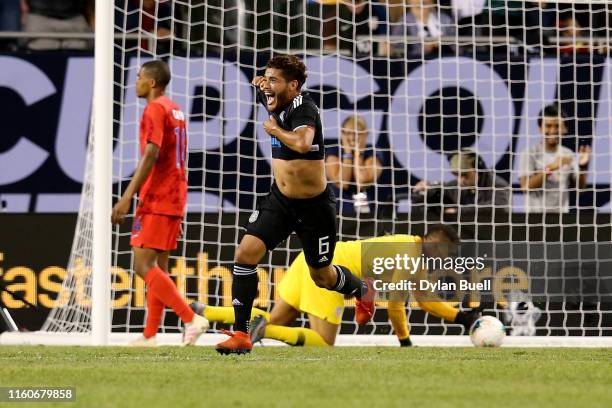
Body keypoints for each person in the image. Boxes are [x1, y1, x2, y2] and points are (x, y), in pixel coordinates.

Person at [215, 54, 376, 355]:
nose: (268, 87)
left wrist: (274, 130)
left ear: (294, 85)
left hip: (314, 208)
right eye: (267, 79)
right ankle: (240, 333)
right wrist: (262, 82)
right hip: (280, 200)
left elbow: (302, 143)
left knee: (322, 276)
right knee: (245, 253)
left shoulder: (305, 108)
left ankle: (362, 289)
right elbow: (266, 91)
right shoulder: (274, 98)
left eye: (275, 80)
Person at [191, 226, 482, 347]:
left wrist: (460, 317)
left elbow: (425, 300)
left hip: (307, 261)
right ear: (435, 242)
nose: (446, 259)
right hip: (327, 274)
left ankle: (206, 312)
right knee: (325, 341)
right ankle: (261, 330)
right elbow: (395, 307)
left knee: (279, 320)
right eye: (447, 252)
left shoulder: (409, 248)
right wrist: (404, 341)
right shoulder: (409, 254)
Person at [111, 60, 209, 347]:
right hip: (176, 192)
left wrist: (127, 196)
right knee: (159, 269)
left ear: (152, 82)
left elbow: (151, 153)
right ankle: (150, 335)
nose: (136, 82)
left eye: (140, 77)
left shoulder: (154, 108)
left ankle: (191, 318)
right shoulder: (175, 109)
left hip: (158, 195)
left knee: (143, 265)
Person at [518, 105, 591, 213]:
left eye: (557, 126)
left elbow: (580, 187)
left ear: (565, 129)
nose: (553, 130)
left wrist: (583, 166)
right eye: (548, 126)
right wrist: (551, 168)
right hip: (534, 220)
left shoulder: (568, 154)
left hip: (561, 220)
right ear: (540, 128)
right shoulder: (529, 154)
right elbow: (525, 187)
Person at [412, 149, 510, 213]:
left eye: (465, 174)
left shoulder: (497, 184)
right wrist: (429, 187)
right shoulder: (456, 185)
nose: (461, 180)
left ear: (478, 169)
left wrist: (459, 211)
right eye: (456, 175)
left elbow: (499, 207)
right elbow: (445, 187)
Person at [325, 115, 384, 215]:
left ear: (365, 134)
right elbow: (343, 183)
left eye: (357, 133)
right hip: (338, 209)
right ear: (342, 134)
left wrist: (358, 154)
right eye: (348, 133)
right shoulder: (333, 152)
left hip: (369, 209)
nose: (352, 137)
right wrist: (348, 153)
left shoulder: (373, 152)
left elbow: (362, 182)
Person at [391, 0, 456, 57]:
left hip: (445, 59)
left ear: (431, 2)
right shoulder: (403, 23)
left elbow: (457, 47)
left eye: (424, 2)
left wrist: (445, 42)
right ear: (409, 2)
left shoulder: (444, 19)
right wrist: (425, 49)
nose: (420, 1)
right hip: (418, 64)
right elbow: (399, 50)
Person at [22, 0, 92, 50]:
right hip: (39, 20)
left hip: (75, 21)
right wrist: (24, 10)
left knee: (80, 47)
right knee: (39, 48)